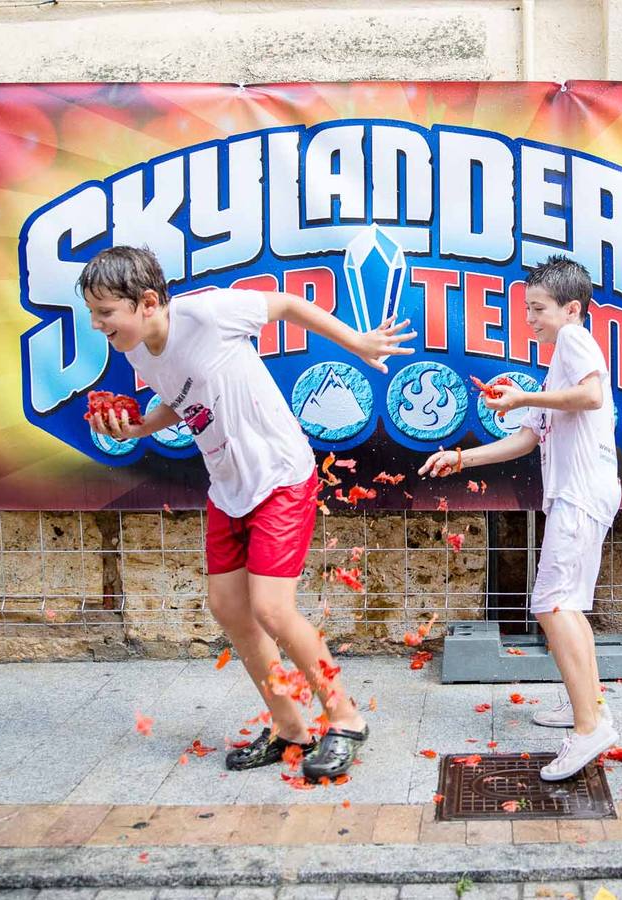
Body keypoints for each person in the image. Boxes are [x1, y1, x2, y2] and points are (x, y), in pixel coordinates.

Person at [83, 245, 414, 779]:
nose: (98, 325)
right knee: (229, 608)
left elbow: (284, 305)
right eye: (93, 313)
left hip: (279, 475)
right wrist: (142, 426)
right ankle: (289, 727)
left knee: (273, 610)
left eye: (105, 313)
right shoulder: (139, 351)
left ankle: (345, 717)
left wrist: (356, 341)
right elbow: (183, 399)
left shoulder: (207, 313)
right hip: (228, 485)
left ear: (147, 302)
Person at [419, 255, 622, 781]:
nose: (529, 318)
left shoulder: (576, 341)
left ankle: (588, 728)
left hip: (580, 494)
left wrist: (525, 394)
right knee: (565, 604)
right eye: (527, 308)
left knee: (554, 605)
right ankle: (589, 708)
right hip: (578, 495)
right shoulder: (558, 365)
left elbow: (593, 395)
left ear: (571, 308)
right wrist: (460, 458)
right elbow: (526, 440)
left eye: (538, 308)